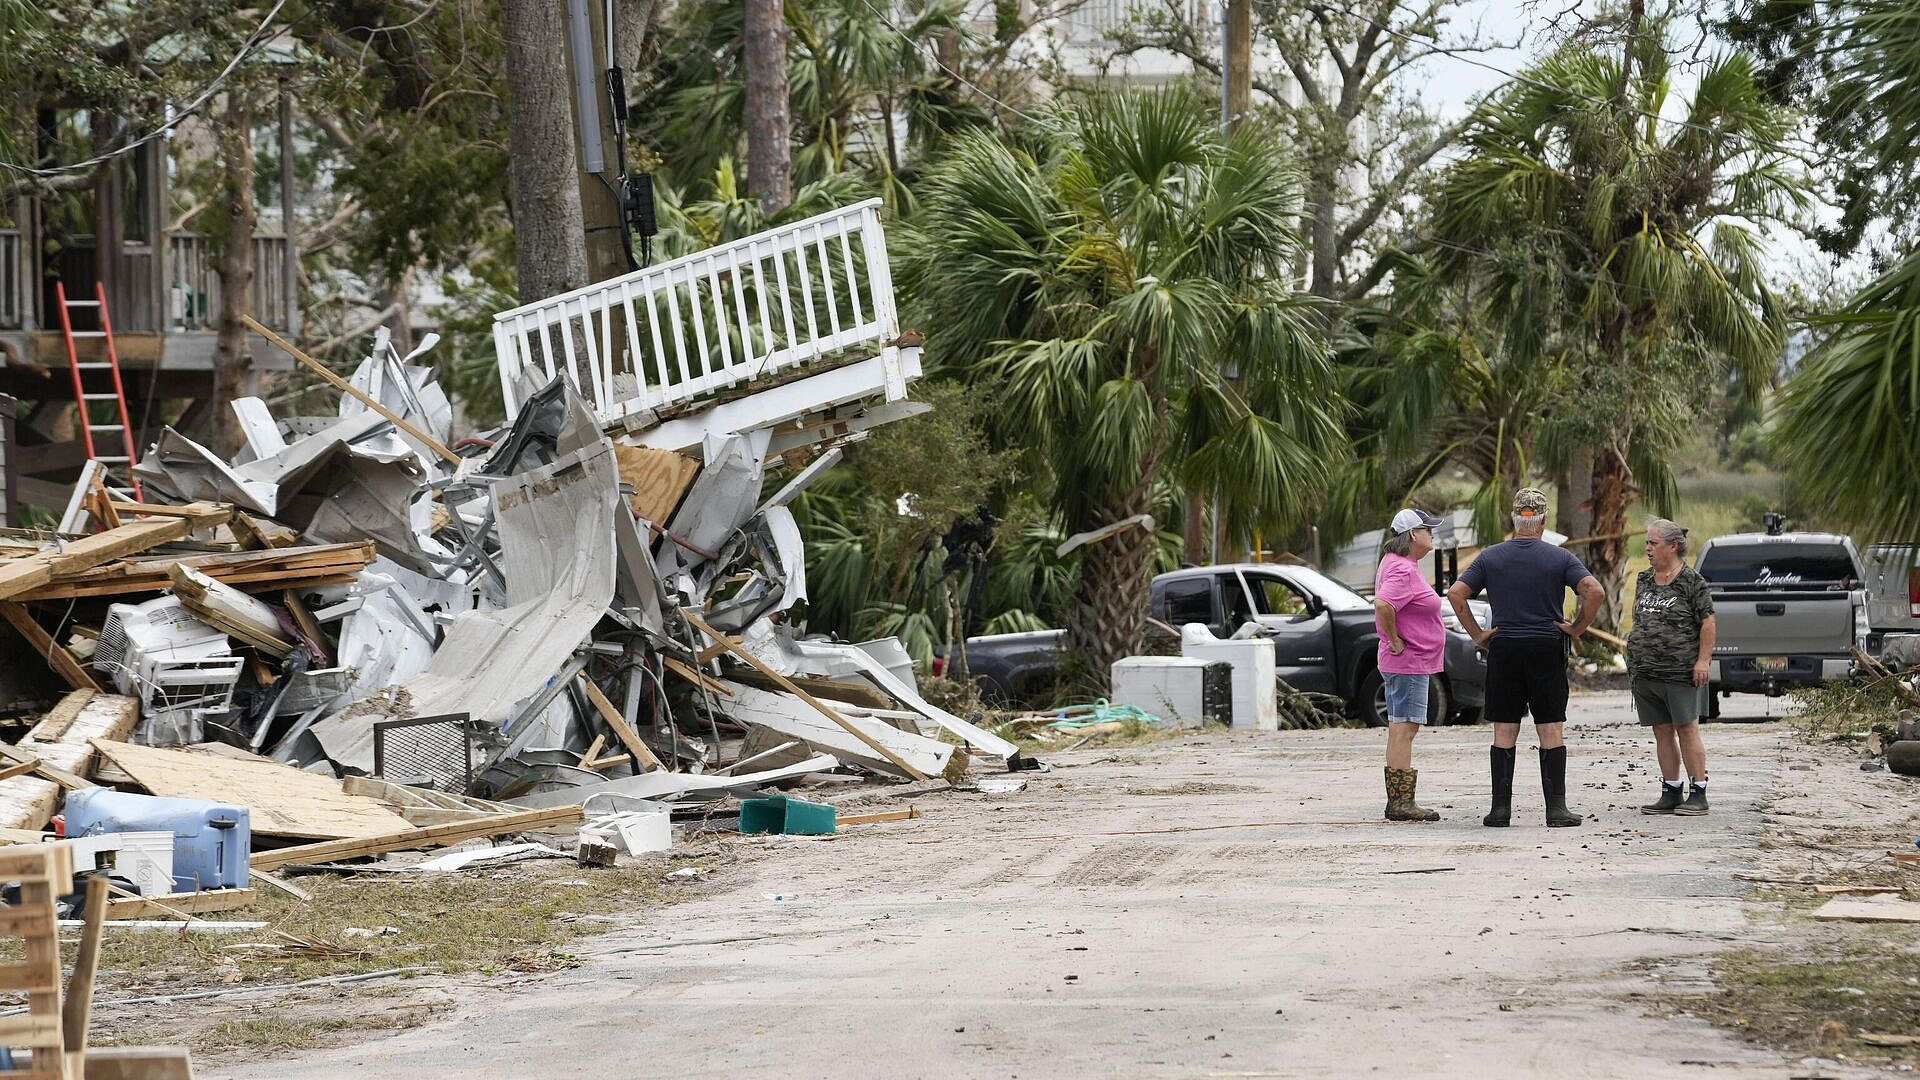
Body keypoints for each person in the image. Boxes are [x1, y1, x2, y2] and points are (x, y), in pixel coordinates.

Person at [1446, 487, 1605, 828]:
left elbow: (1456, 593)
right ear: (1544, 520)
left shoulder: (1491, 556)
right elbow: (1594, 590)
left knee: (1504, 727)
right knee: (1550, 726)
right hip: (1546, 646)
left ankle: (1500, 810)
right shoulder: (1559, 557)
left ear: (1513, 519)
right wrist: (1576, 628)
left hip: (1505, 646)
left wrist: (1476, 634)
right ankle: (1556, 809)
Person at [1629, 518, 1716, 816]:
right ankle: (1670, 790)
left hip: (1680, 673)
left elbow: (1708, 622)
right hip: (1646, 673)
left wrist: (1703, 661)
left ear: (1673, 545)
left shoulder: (1692, 582)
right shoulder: (1644, 579)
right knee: (1661, 732)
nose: (1648, 548)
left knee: (1686, 729)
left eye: (1653, 543)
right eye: (1647, 542)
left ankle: (1699, 791)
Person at [1374, 508, 1446, 822]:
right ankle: (1402, 803)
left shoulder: (1401, 564)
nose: (1432, 534)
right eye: (1428, 529)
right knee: (1405, 727)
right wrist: (1394, 638)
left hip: (1409, 661)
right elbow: (1383, 604)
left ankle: (1399, 801)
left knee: (1400, 726)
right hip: (1408, 661)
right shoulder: (1402, 569)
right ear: (1414, 535)